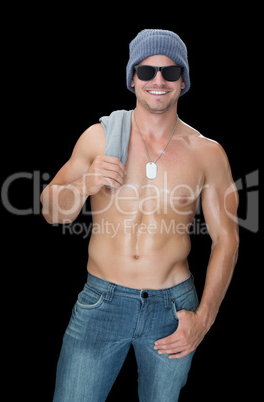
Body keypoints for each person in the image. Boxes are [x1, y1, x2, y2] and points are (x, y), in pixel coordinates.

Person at [41, 29, 239, 401]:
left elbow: (227, 239)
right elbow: (52, 212)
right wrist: (86, 183)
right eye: (146, 72)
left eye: (170, 72)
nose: (158, 81)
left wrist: (204, 319)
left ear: (184, 80)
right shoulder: (98, 138)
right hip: (102, 301)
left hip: (172, 308)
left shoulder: (207, 153)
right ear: (132, 79)